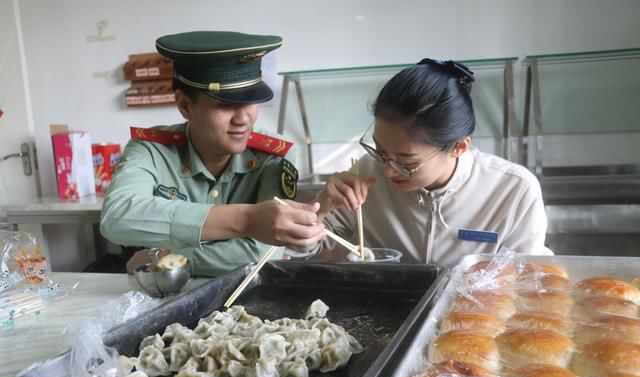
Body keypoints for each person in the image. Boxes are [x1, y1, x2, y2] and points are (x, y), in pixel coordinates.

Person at [100, 31, 325, 277]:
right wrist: (248, 220)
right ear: (185, 105)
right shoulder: (151, 149)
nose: (243, 118)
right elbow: (117, 216)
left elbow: (263, 253)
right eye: (225, 105)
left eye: (251, 101)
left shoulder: (275, 155)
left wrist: (168, 258)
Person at [291, 58, 552, 268]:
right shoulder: (364, 174)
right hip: (384, 318)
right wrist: (321, 206)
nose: (388, 170)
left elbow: (526, 280)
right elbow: (304, 252)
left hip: (473, 325)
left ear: (458, 147)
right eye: (380, 151)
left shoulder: (513, 190)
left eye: (406, 161)